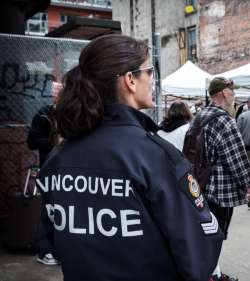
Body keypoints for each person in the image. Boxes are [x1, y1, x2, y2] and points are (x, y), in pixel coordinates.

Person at [36, 35, 223, 281]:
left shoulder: (58, 157)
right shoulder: (156, 156)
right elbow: (198, 252)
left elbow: (51, 241)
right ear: (130, 80)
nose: (154, 80)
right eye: (150, 71)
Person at [193, 77, 250, 281]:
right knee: (217, 235)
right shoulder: (224, 120)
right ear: (223, 93)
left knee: (203, 233)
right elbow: (236, 157)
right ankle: (210, 275)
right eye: (232, 91)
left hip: (198, 186)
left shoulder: (199, 116)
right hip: (220, 190)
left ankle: (211, 272)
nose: (235, 95)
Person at [27, 82, 63, 266]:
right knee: (49, 208)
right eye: (57, 93)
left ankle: (59, 249)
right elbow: (32, 142)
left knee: (64, 208)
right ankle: (46, 251)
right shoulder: (43, 114)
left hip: (67, 169)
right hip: (49, 168)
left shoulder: (71, 114)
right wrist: (53, 141)